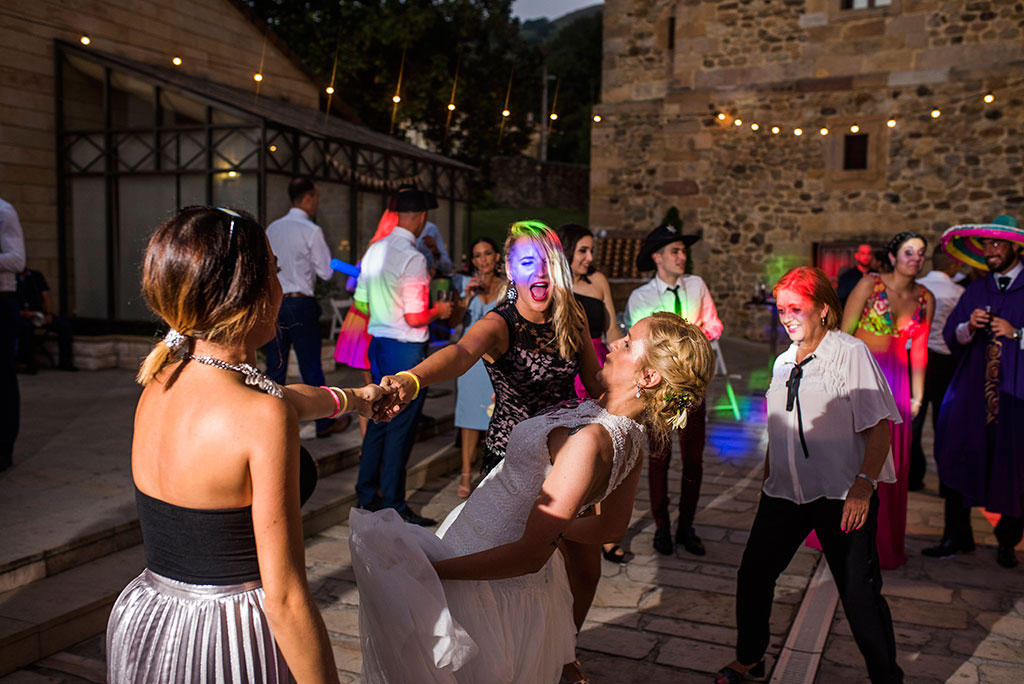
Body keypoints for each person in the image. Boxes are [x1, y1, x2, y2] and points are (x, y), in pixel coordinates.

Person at [350, 313, 715, 684]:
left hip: (479, 579)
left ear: (648, 377)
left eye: (628, 342)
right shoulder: (632, 436)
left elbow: (528, 555)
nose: (616, 342)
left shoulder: (591, 440)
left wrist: (434, 573)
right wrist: (554, 529)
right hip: (484, 552)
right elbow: (612, 525)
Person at [105, 206, 385, 683]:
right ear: (249, 294)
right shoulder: (260, 417)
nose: (281, 286)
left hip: (150, 617)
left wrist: (355, 399)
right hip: (222, 636)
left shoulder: (161, 379)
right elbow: (286, 598)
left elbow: (280, 398)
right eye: (274, 272)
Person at [371, 220, 605, 682]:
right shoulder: (500, 323)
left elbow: (595, 383)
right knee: (513, 575)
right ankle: (503, 663)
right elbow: (459, 355)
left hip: (565, 461)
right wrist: (411, 379)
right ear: (510, 269)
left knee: (585, 565)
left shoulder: (572, 317)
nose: (538, 273)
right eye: (526, 262)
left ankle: (563, 650)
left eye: (547, 262)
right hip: (511, 464)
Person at [715, 266, 903, 684]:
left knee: (859, 595)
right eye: (781, 309)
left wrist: (863, 486)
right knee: (754, 576)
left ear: (822, 309)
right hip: (783, 494)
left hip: (840, 496)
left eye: (795, 308)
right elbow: (777, 428)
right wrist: (768, 481)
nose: (786, 317)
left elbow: (878, 428)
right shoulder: (783, 361)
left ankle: (887, 677)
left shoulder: (851, 353)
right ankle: (750, 659)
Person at [925, 215, 1024, 568]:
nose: (990, 251)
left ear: (1015, 247)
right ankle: (957, 535)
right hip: (971, 394)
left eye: (997, 244)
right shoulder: (977, 289)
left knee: (1014, 466)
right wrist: (970, 325)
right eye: (986, 245)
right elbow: (952, 335)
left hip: (1015, 395)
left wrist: (1017, 333)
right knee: (955, 454)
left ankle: (1007, 541)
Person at [354, 186, 453, 526]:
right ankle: (394, 503)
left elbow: (362, 303)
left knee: (376, 419)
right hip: (406, 347)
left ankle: (367, 495)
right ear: (422, 218)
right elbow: (414, 316)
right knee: (400, 426)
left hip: (378, 341)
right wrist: (439, 310)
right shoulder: (413, 259)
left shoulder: (374, 251)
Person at [625, 223, 723, 556]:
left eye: (683, 251)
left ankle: (686, 526)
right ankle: (662, 527)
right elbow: (642, 347)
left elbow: (714, 323)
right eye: (675, 251)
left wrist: (695, 339)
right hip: (660, 392)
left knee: (693, 460)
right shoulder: (642, 297)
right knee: (659, 458)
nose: (682, 257)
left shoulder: (696, 285)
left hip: (692, 385)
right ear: (658, 257)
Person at [841, 231, 934, 569]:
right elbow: (844, 331)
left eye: (922, 253)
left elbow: (920, 350)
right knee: (854, 458)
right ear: (893, 257)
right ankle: (841, 535)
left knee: (894, 465)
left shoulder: (925, 297)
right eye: (909, 252)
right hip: (862, 377)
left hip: (898, 385)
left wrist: (918, 395)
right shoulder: (870, 284)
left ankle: (883, 544)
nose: (916, 258)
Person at [557, 223, 628, 564]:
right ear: (567, 250)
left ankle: (602, 528)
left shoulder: (598, 282)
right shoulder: (554, 285)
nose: (589, 257)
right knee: (576, 447)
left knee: (608, 446)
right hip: (569, 368)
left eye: (591, 251)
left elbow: (612, 326)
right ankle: (571, 518)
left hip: (602, 366)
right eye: (582, 251)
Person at [264, 176, 351, 439]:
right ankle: (323, 422)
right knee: (310, 366)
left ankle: (271, 424)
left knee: (275, 367)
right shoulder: (311, 230)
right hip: (301, 303)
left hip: (275, 304)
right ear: (309, 197)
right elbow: (325, 271)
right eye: (317, 198)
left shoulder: (272, 228)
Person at [334, 207, 398, 438]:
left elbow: (351, 285)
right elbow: (353, 286)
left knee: (372, 384)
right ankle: (371, 441)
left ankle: (369, 443)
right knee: (375, 385)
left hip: (364, 321)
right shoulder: (391, 252)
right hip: (372, 322)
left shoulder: (374, 250)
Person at [449, 237, 504, 498]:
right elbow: (453, 322)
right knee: (469, 417)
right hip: (471, 362)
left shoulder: (508, 287)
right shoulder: (464, 286)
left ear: (496, 257)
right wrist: (465, 297)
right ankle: (465, 472)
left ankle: (495, 472)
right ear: (472, 261)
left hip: (499, 360)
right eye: (477, 256)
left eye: (487, 254)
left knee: (498, 416)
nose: (482, 260)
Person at [908, 247, 964, 491]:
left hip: (913, 357)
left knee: (914, 421)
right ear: (952, 266)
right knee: (944, 423)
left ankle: (912, 476)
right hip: (943, 360)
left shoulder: (916, 286)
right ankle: (946, 483)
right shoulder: (959, 292)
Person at [0, 197, 26, 473]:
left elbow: (18, 260)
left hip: (2, 301)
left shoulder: (3, 212)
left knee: (3, 378)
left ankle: (4, 449)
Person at [16, 267, 76, 372]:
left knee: (64, 326)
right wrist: (25, 313)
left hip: (40, 314)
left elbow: (46, 295)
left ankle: (65, 362)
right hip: (23, 315)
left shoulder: (36, 276)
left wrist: (48, 314)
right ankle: (28, 363)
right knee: (26, 329)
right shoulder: (10, 278)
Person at [837, 243, 874, 308]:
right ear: (856, 255)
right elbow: (841, 299)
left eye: (869, 253)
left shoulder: (877, 275)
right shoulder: (846, 277)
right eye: (863, 253)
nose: (866, 256)